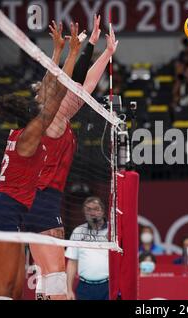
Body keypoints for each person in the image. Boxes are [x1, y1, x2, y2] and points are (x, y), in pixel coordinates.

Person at [0, 23, 80, 300]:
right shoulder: (32, 135)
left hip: (14, 212)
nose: (40, 100)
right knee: (4, 292)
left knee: (14, 291)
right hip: (5, 212)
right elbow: (58, 92)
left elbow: (51, 85)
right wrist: (72, 55)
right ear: (32, 116)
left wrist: (58, 50)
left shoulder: (21, 132)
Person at [23, 16, 118, 300]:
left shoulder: (60, 115)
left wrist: (105, 53)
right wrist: (85, 48)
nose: (47, 88)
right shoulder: (51, 118)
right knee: (55, 275)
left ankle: (43, 293)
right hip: (39, 197)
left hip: (46, 196)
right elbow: (72, 83)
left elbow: (83, 86)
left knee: (47, 272)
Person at [65, 197, 109, 300]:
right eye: (88, 209)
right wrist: (69, 290)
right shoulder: (78, 231)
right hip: (84, 288)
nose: (92, 212)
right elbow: (72, 263)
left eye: (96, 209)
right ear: (84, 212)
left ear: (102, 211)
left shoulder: (113, 231)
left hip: (108, 286)